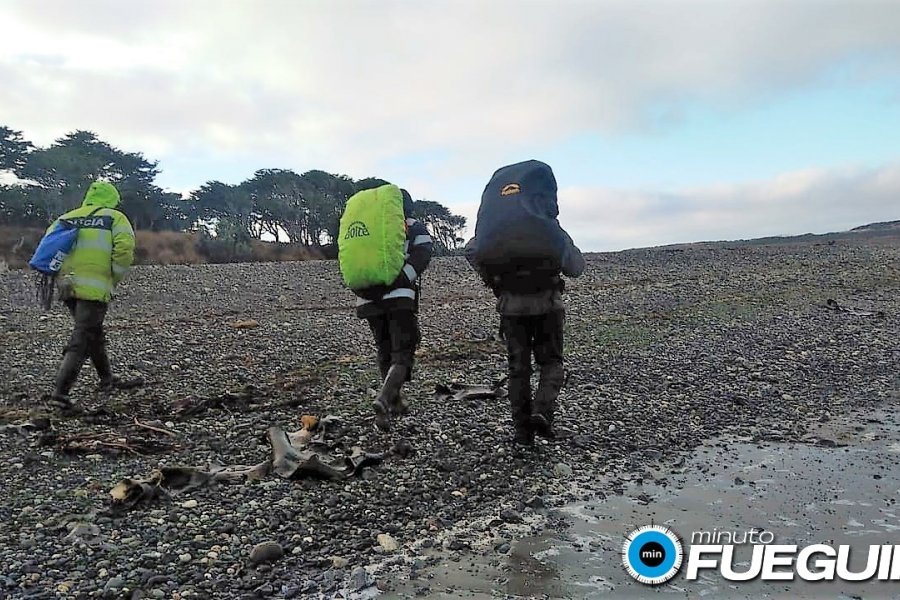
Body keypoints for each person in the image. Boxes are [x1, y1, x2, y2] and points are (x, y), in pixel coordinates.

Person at [466, 161, 584, 445]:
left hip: (510, 308)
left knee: (518, 369)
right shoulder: (551, 231)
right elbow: (576, 267)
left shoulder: (494, 236)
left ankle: (522, 433)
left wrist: (493, 281)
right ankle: (542, 412)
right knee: (551, 362)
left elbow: (472, 250)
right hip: (548, 305)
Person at [48, 181, 135, 413]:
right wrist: (113, 277)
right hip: (95, 286)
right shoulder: (115, 218)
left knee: (93, 331)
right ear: (112, 199)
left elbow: (50, 246)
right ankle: (60, 393)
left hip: (67, 285)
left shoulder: (66, 218)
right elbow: (124, 249)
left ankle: (107, 379)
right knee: (83, 335)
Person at [355, 189, 433, 431]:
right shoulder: (411, 225)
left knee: (384, 349)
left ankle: (395, 402)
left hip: (367, 299)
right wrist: (403, 279)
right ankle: (384, 399)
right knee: (403, 352)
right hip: (399, 298)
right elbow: (424, 251)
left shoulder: (372, 227)